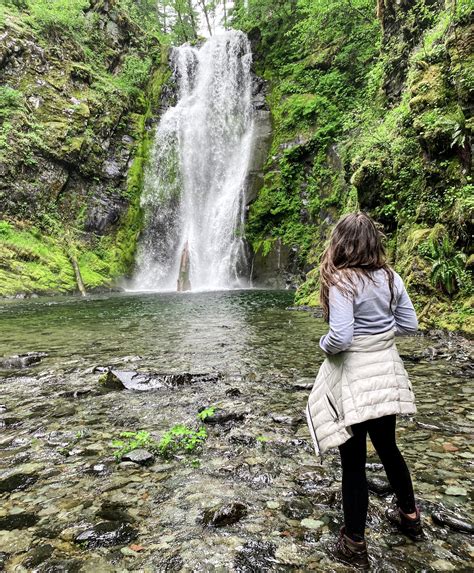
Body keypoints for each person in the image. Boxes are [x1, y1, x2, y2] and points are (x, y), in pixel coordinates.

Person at [305, 212, 423, 571]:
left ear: (340, 242)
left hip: (354, 378)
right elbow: (409, 324)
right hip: (385, 372)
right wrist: (380, 337)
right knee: (389, 448)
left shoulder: (341, 281)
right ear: (374, 241)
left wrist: (324, 344)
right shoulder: (390, 277)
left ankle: (354, 541)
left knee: (353, 461)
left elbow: (340, 338)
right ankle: (410, 517)